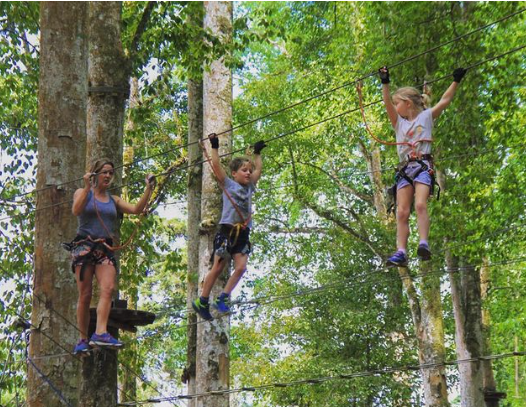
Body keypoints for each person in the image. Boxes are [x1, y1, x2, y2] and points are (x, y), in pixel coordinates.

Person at [380, 66, 466, 267]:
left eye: (397, 103)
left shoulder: (425, 117)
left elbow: (444, 101)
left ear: (407, 103)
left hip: (422, 166)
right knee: (401, 212)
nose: (394, 107)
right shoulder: (398, 123)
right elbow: (386, 104)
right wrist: (385, 82)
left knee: (420, 204)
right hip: (405, 169)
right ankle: (401, 251)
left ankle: (423, 243)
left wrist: (456, 81)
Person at [70, 158, 154, 354]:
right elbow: (76, 210)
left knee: (108, 288)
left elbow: (136, 209)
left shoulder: (113, 199)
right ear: (95, 174)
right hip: (84, 246)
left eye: (111, 172)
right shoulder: (82, 194)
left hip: (105, 248)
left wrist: (148, 190)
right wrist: (85, 186)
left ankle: (100, 332)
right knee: (85, 295)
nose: (108, 175)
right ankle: (83, 338)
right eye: (104, 172)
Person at [192, 134, 266, 320]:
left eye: (249, 170)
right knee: (218, 267)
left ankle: (223, 298)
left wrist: (257, 153)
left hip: (243, 233)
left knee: (241, 267)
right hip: (227, 231)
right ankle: (202, 300)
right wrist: (214, 146)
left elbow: (259, 170)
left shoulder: (250, 187)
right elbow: (216, 166)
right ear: (234, 173)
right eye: (244, 170)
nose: (248, 173)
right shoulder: (229, 184)